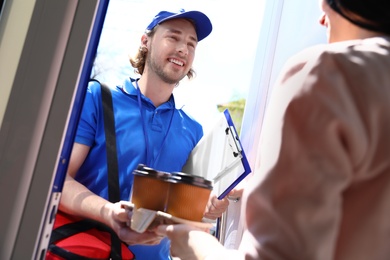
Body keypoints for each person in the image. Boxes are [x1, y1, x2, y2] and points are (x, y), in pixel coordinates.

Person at [156, 0, 390, 259]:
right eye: (173, 37)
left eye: (191, 43)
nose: (321, 17)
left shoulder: (328, 72)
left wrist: (189, 238)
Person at [53, 9, 230, 260]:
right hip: (86, 252)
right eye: (174, 37)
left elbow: (185, 211)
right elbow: (60, 182)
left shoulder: (193, 130)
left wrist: (210, 207)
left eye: (191, 44)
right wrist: (107, 212)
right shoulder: (98, 98)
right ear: (145, 41)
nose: (183, 49)